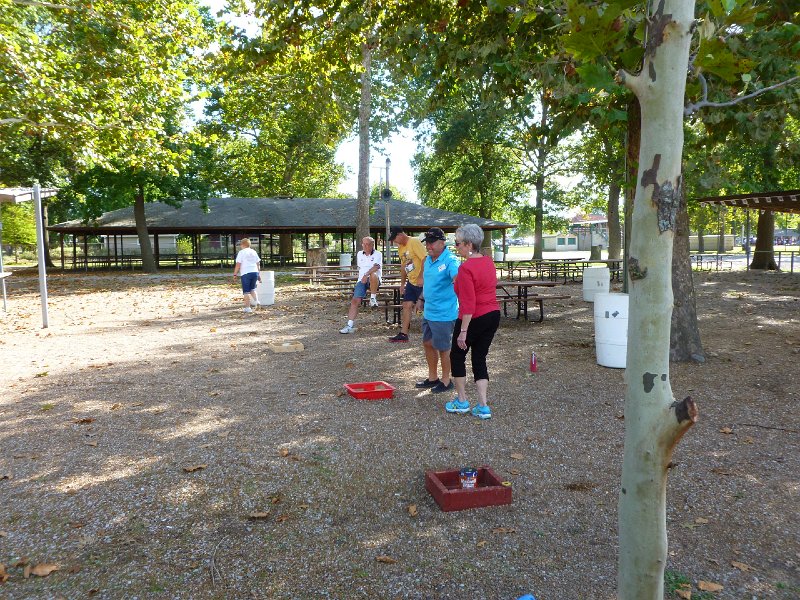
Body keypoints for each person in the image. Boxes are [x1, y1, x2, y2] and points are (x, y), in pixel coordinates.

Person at [444, 224, 501, 419]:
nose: (456, 247)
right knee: (479, 358)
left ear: (469, 244)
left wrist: (463, 331)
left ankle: (461, 401)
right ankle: (483, 405)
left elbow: (468, 303)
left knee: (457, 356)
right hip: (493, 314)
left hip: (474, 317)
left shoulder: (466, 267)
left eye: (458, 243)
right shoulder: (488, 262)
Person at [414, 227, 460, 394]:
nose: (428, 246)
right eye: (427, 243)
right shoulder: (428, 260)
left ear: (442, 243)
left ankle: (447, 380)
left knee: (443, 347)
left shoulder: (451, 260)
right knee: (427, 343)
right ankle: (432, 377)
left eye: (432, 243)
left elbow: (457, 277)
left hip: (444, 313)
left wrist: (458, 281)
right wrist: (421, 299)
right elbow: (427, 283)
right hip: (429, 310)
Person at [387, 226, 426, 343]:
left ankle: (431, 332)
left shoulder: (414, 241)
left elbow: (425, 259)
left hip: (422, 282)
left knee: (425, 307)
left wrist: (421, 277)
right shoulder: (401, 248)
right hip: (411, 281)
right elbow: (404, 266)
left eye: (395, 239)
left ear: (400, 234)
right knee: (406, 305)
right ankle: (404, 334)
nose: (394, 241)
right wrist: (402, 283)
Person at [339, 236, 382, 334]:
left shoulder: (378, 254)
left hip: (373, 279)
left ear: (372, 245)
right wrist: (363, 277)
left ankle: (373, 298)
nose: (366, 246)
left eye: (368, 244)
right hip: (361, 280)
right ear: (362, 244)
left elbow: (376, 267)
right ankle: (349, 325)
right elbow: (360, 267)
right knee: (355, 301)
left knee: (373, 274)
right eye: (364, 244)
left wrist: (366, 275)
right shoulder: (359, 254)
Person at [232, 238, 262, 313]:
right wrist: (258, 273)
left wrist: (235, 274)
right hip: (254, 272)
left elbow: (238, 264)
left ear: (242, 245)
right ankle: (257, 301)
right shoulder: (253, 251)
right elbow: (258, 263)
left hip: (246, 273)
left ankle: (248, 308)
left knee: (246, 291)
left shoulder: (241, 252)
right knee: (253, 289)